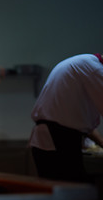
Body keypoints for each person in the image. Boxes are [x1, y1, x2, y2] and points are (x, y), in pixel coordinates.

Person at [29, 53, 103, 182]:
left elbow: (77, 119)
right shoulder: (94, 68)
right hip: (58, 139)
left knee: (62, 193)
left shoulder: (83, 62)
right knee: (72, 193)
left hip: (49, 138)